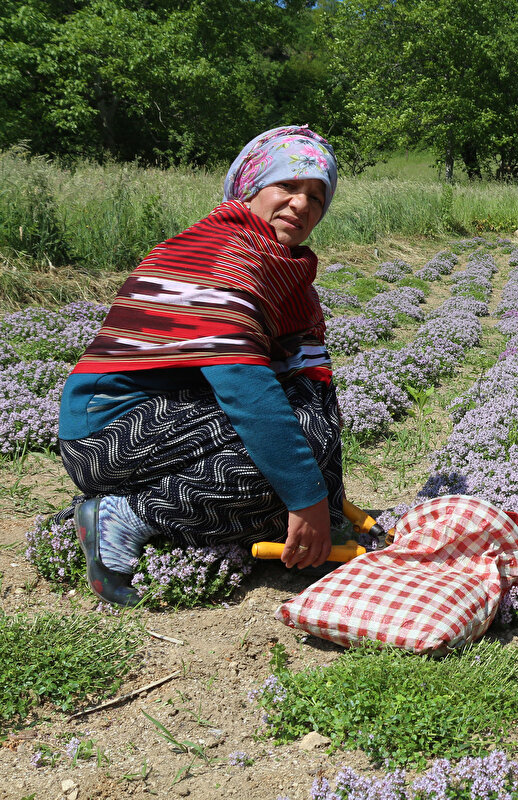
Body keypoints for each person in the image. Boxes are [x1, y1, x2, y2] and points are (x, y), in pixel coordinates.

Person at [58, 125, 345, 606]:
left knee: (307, 434)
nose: (301, 204)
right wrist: (308, 499)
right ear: (252, 187)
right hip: (108, 433)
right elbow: (246, 389)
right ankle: (126, 512)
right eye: (288, 186)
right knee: (298, 439)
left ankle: (183, 505)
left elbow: (309, 389)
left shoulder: (278, 265)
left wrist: (325, 505)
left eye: (317, 197)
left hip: (173, 425)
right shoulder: (222, 255)